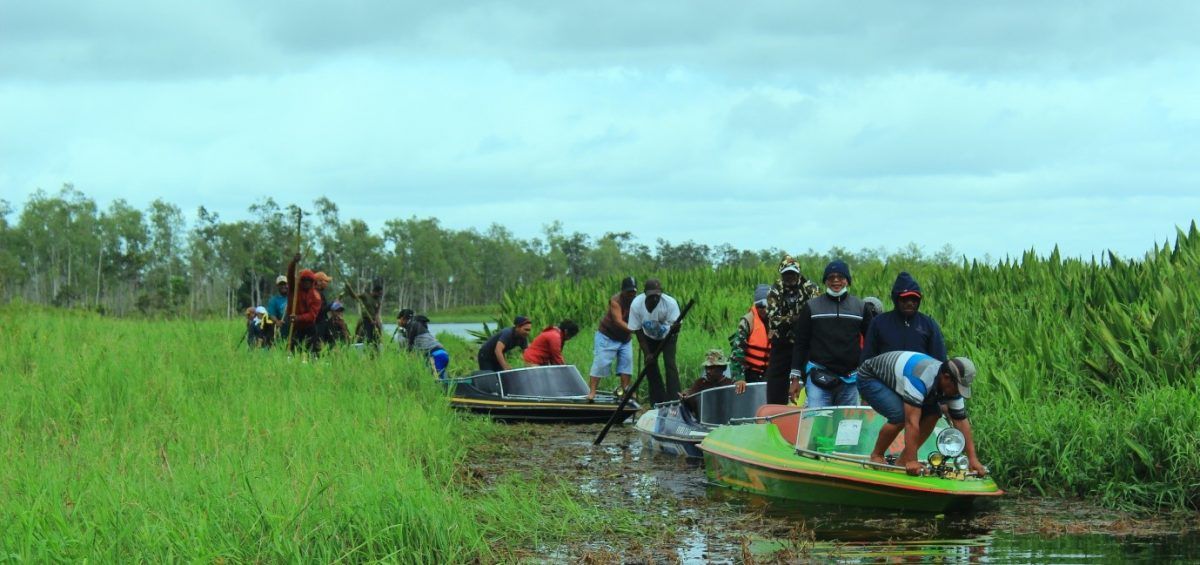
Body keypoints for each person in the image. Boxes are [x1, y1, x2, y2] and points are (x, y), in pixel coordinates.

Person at [856, 351, 987, 477]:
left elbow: (961, 421)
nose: (958, 392)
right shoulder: (921, 377)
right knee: (899, 417)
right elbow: (911, 422)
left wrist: (973, 459)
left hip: (900, 378)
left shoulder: (952, 388)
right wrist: (913, 461)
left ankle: (902, 460)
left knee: (934, 413)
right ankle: (877, 455)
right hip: (871, 377)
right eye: (957, 388)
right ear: (946, 377)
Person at [789, 260, 875, 409]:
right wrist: (795, 379)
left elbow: (872, 341)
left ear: (847, 280)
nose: (836, 280)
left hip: (851, 379)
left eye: (840, 277)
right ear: (825, 281)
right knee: (817, 425)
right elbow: (801, 343)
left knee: (847, 428)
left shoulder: (860, 307)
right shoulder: (811, 307)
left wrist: (869, 375)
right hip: (818, 377)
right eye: (831, 277)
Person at [763, 256, 820, 405]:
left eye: (793, 273)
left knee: (813, 378)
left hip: (806, 344)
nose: (790, 277)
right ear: (781, 274)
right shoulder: (774, 290)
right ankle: (775, 414)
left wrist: (790, 320)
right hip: (782, 343)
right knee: (775, 383)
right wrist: (798, 319)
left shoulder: (810, 288)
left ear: (799, 273)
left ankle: (813, 410)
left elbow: (816, 314)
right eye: (786, 273)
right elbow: (774, 320)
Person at [861, 272, 947, 363]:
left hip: (919, 376)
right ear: (896, 299)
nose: (910, 303)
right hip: (885, 376)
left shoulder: (929, 325)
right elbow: (867, 361)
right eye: (904, 299)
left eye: (914, 299)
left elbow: (939, 361)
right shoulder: (878, 323)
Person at [628, 278, 682, 405]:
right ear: (645, 293)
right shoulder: (636, 305)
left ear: (661, 293)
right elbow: (638, 331)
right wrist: (647, 353)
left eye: (657, 295)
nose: (654, 299)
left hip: (668, 336)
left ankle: (675, 399)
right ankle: (658, 400)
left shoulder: (670, 303)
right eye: (651, 296)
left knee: (670, 363)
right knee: (650, 365)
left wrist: (675, 329)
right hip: (648, 337)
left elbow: (676, 326)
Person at [587, 276, 638, 402]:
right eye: (628, 291)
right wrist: (635, 330)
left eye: (633, 291)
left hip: (625, 339)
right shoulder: (615, 300)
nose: (631, 294)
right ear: (623, 291)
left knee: (627, 363)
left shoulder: (637, 301)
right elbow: (618, 321)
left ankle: (625, 391)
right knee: (600, 363)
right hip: (607, 336)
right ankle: (592, 392)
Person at [729, 283, 771, 389]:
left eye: (767, 306)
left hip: (771, 373)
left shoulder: (778, 320)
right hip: (750, 373)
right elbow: (737, 352)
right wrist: (739, 378)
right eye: (760, 306)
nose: (764, 310)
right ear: (756, 306)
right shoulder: (747, 321)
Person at [285, 253, 323, 353]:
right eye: (304, 280)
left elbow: (312, 316)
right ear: (300, 281)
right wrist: (294, 262)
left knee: (312, 355)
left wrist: (298, 317)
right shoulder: (295, 288)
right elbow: (290, 275)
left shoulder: (316, 296)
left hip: (308, 328)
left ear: (312, 282)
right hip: (294, 327)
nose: (306, 282)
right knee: (292, 353)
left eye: (309, 280)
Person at [398, 308, 451, 379]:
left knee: (438, 382)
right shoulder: (419, 326)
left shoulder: (412, 326)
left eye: (399, 319)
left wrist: (400, 332)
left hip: (435, 356)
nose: (398, 321)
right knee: (441, 379)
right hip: (443, 354)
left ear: (403, 319)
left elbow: (407, 347)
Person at [346, 281, 385, 348]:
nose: (380, 295)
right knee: (366, 337)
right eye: (379, 293)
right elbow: (354, 296)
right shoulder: (365, 295)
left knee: (377, 339)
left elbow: (377, 313)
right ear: (375, 291)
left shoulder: (378, 301)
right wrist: (349, 288)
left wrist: (376, 321)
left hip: (374, 322)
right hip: (365, 320)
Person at [266, 275, 289, 347]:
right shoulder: (274, 300)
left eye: (285, 284)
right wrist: (277, 321)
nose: (283, 286)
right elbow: (271, 314)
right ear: (277, 286)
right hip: (282, 327)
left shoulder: (293, 297)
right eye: (281, 284)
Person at [313, 272, 334, 348]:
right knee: (318, 346)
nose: (327, 284)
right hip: (318, 325)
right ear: (318, 282)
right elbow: (320, 311)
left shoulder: (319, 293)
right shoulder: (315, 294)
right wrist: (332, 305)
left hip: (323, 323)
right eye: (326, 281)